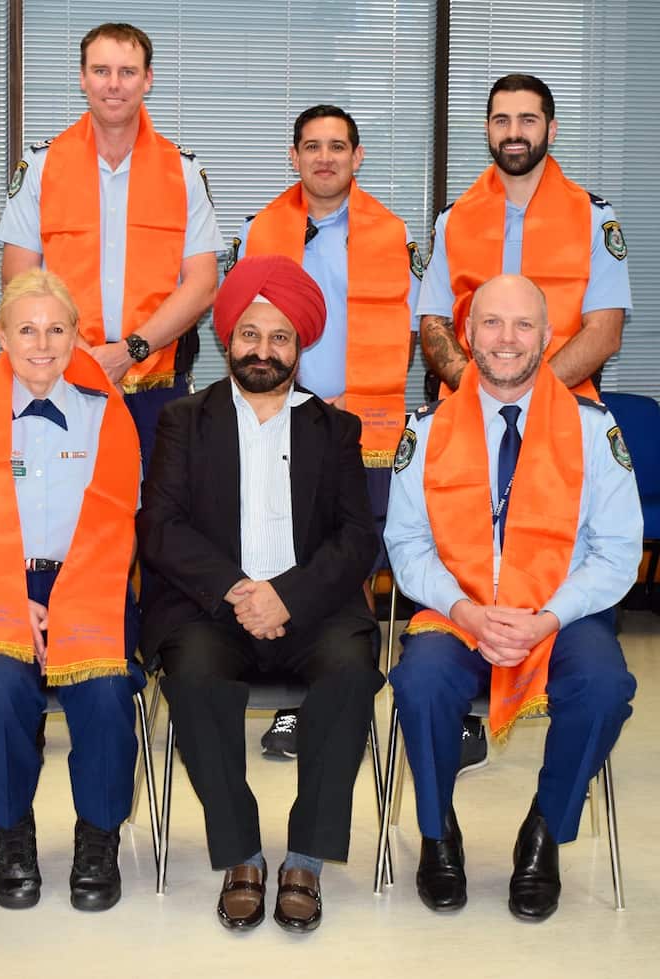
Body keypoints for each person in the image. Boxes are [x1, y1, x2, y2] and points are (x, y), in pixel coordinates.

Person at [138, 255, 383, 933]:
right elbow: (159, 526)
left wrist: (288, 597)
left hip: (312, 610)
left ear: (300, 345)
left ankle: (304, 856)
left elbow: (356, 538)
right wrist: (239, 591)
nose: (264, 350)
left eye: (280, 337)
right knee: (190, 671)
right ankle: (241, 852)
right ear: (227, 339)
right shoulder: (185, 420)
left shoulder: (335, 429)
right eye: (251, 334)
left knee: (351, 668)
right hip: (210, 608)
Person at [385, 273, 641, 921]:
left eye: (523, 325)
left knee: (605, 686)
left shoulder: (592, 430)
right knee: (420, 681)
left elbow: (617, 551)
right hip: (458, 607)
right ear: (467, 336)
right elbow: (407, 544)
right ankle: (438, 833)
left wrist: (546, 616)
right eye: (491, 323)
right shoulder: (430, 428)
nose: (507, 339)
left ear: (547, 337)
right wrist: (468, 608)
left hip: (562, 609)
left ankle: (545, 830)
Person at [0, 269, 145, 912]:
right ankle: (11, 833)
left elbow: (123, 531)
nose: (43, 343)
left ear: (76, 338)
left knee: (105, 687)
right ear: (2, 337)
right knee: (1, 684)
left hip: (84, 584)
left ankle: (98, 836)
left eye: (57, 329)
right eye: (28, 329)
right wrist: (13, 596)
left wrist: (63, 599)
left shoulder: (109, 420)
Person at [231, 104, 421, 761]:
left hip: (365, 425)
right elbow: (239, 328)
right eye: (311, 146)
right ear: (293, 157)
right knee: (288, 550)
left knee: (356, 558)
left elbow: (414, 331)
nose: (324, 157)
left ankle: (344, 690)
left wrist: (356, 395)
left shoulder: (392, 233)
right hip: (282, 414)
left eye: (338, 146)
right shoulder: (262, 229)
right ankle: (293, 701)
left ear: (358, 156)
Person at [0, 22, 221, 470]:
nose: (113, 84)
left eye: (127, 72)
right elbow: (19, 277)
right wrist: (77, 349)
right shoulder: (42, 167)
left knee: (159, 518)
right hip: (61, 374)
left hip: (159, 383)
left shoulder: (183, 172)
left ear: (148, 79)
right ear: (82, 78)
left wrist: (128, 352)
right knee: (69, 516)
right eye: (101, 71)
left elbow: (202, 283)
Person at [418, 74, 630, 402]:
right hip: (465, 408)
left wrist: (528, 398)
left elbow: (604, 333)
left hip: (563, 406)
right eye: (502, 121)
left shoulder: (595, 218)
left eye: (528, 120)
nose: (514, 133)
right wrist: (479, 393)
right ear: (487, 129)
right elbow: (434, 325)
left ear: (552, 129)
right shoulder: (453, 220)